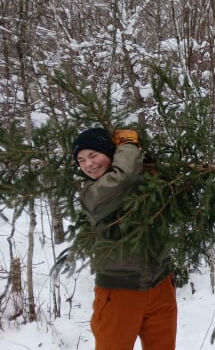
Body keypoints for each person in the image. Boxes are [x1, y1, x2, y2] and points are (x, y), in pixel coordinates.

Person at [73, 127, 177, 350]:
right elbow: (124, 177)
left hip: (160, 284)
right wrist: (129, 144)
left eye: (93, 155)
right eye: (81, 160)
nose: (88, 164)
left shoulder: (141, 181)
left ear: (110, 154)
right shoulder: (91, 194)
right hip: (119, 292)